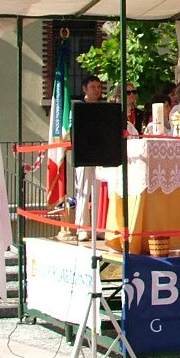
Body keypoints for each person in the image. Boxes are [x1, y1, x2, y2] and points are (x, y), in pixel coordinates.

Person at [72, 74, 106, 242]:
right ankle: (82, 228)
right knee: (84, 191)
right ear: (85, 89)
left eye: (99, 87)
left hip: (100, 154)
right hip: (84, 154)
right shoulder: (78, 107)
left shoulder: (104, 108)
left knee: (100, 191)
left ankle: (100, 228)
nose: (97, 90)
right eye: (93, 87)